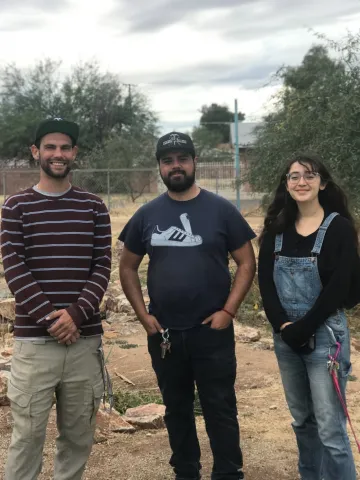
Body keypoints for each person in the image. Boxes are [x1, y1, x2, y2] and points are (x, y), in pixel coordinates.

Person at [119, 131, 256, 480]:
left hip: (211, 333)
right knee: (176, 409)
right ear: (160, 168)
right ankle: (186, 472)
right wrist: (143, 315)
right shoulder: (147, 214)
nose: (175, 166)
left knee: (220, 408)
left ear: (194, 162)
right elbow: (127, 266)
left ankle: (228, 472)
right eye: (168, 161)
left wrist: (228, 311)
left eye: (182, 159)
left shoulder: (221, 210)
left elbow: (246, 262)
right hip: (164, 333)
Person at [1, 118, 112, 480]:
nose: (58, 154)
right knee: (27, 437)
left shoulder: (94, 207)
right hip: (35, 344)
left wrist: (77, 315)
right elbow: (14, 268)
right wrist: (52, 318)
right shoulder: (15, 207)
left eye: (65, 147)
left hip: (83, 341)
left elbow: (102, 266)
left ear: (75, 153)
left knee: (78, 439)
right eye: (50, 147)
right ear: (36, 152)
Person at [258, 152, 360, 480]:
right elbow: (265, 281)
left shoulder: (339, 229)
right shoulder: (275, 229)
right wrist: (283, 326)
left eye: (310, 175)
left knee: (330, 430)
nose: (302, 181)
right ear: (286, 185)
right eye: (294, 176)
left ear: (323, 183)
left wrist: (304, 327)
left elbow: (338, 287)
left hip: (325, 337)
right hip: (286, 336)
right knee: (303, 422)